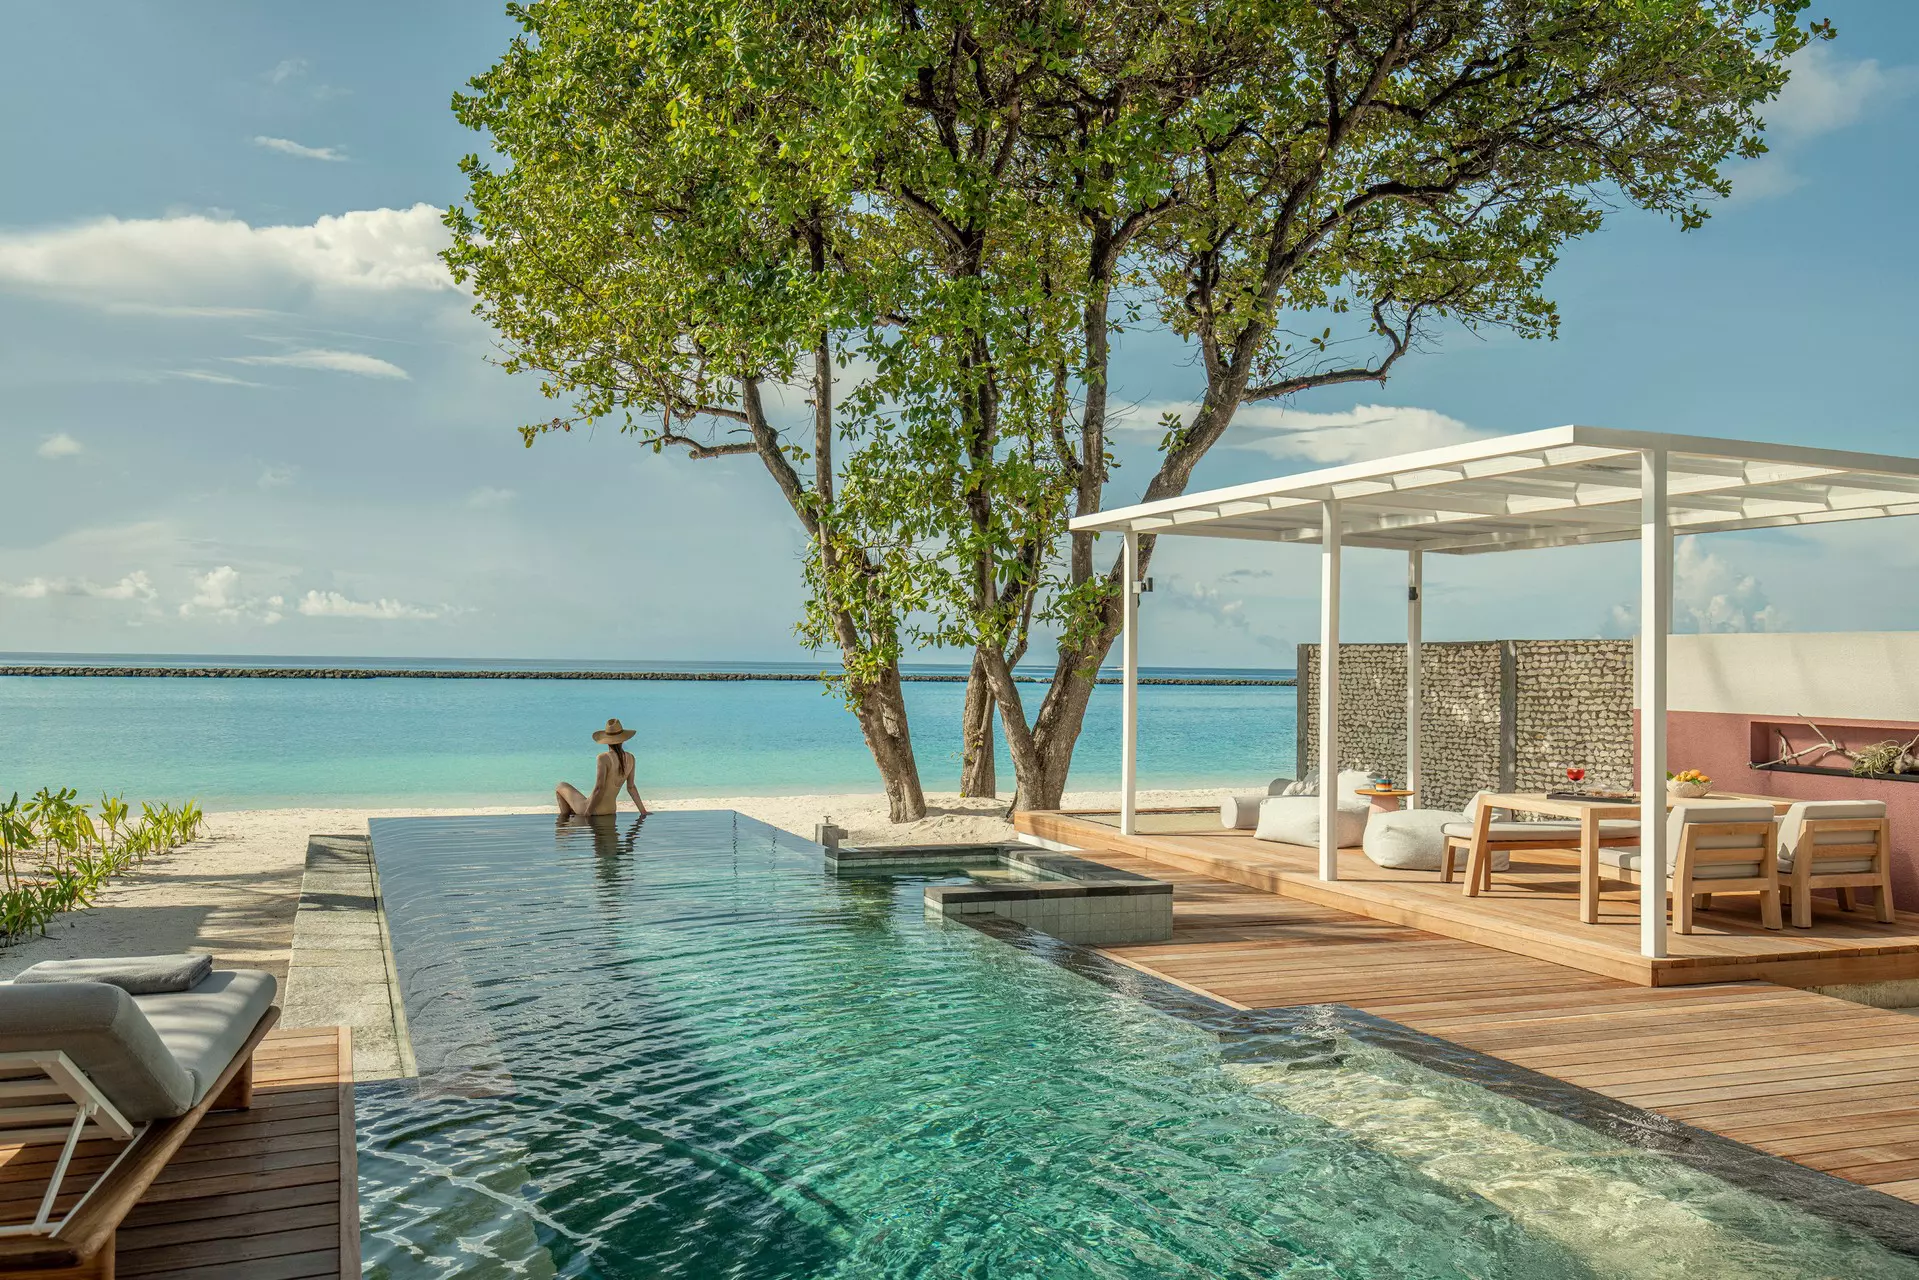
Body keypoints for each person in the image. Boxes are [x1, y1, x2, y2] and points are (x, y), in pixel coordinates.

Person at [556, 718, 648, 818]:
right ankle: (570, 818)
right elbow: (631, 787)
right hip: (611, 810)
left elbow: (599, 788)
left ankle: (564, 820)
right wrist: (643, 811)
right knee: (575, 798)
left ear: (607, 740)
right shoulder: (631, 758)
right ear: (622, 739)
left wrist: (588, 813)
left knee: (560, 786)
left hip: (594, 809)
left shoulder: (603, 758)